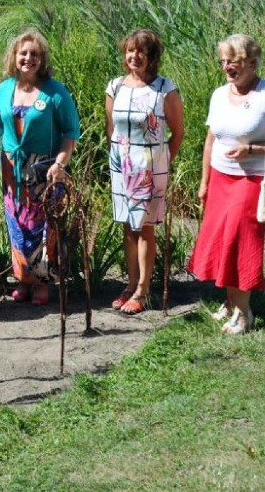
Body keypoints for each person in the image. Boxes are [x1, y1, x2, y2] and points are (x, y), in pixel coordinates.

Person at [187, 34, 265, 334]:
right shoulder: (219, 94)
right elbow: (211, 140)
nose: (227, 67)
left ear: (252, 62)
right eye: (223, 62)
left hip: (253, 179)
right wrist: (204, 181)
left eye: (233, 62)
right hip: (221, 178)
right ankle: (230, 302)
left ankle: (244, 313)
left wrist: (254, 150)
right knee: (223, 240)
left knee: (241, 241)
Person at [0, 30, 80, 305]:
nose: (28, 59)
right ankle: (22, 279)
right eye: (23, 53)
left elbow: (71, 132)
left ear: (42, 60)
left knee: (44, 227)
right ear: (14, 57)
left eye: (34, 54)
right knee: (16, 224)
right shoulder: (5, 88)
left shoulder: (55, 92)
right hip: (12, 169)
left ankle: (42, 284)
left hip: (44, 170)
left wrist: (60, 164)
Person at [106, 29, 184, 315]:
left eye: (141, 51)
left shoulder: (165, 88)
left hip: (150, 169)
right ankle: (129, 283)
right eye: (129, 50)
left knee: (144, 228)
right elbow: (111, 129)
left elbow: (177, 132)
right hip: (121, 166)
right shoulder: (115, 86)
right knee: (127, 226)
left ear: (152, 57)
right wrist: (117, 159)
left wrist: (161, 163)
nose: (134, 56)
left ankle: (143, 289)